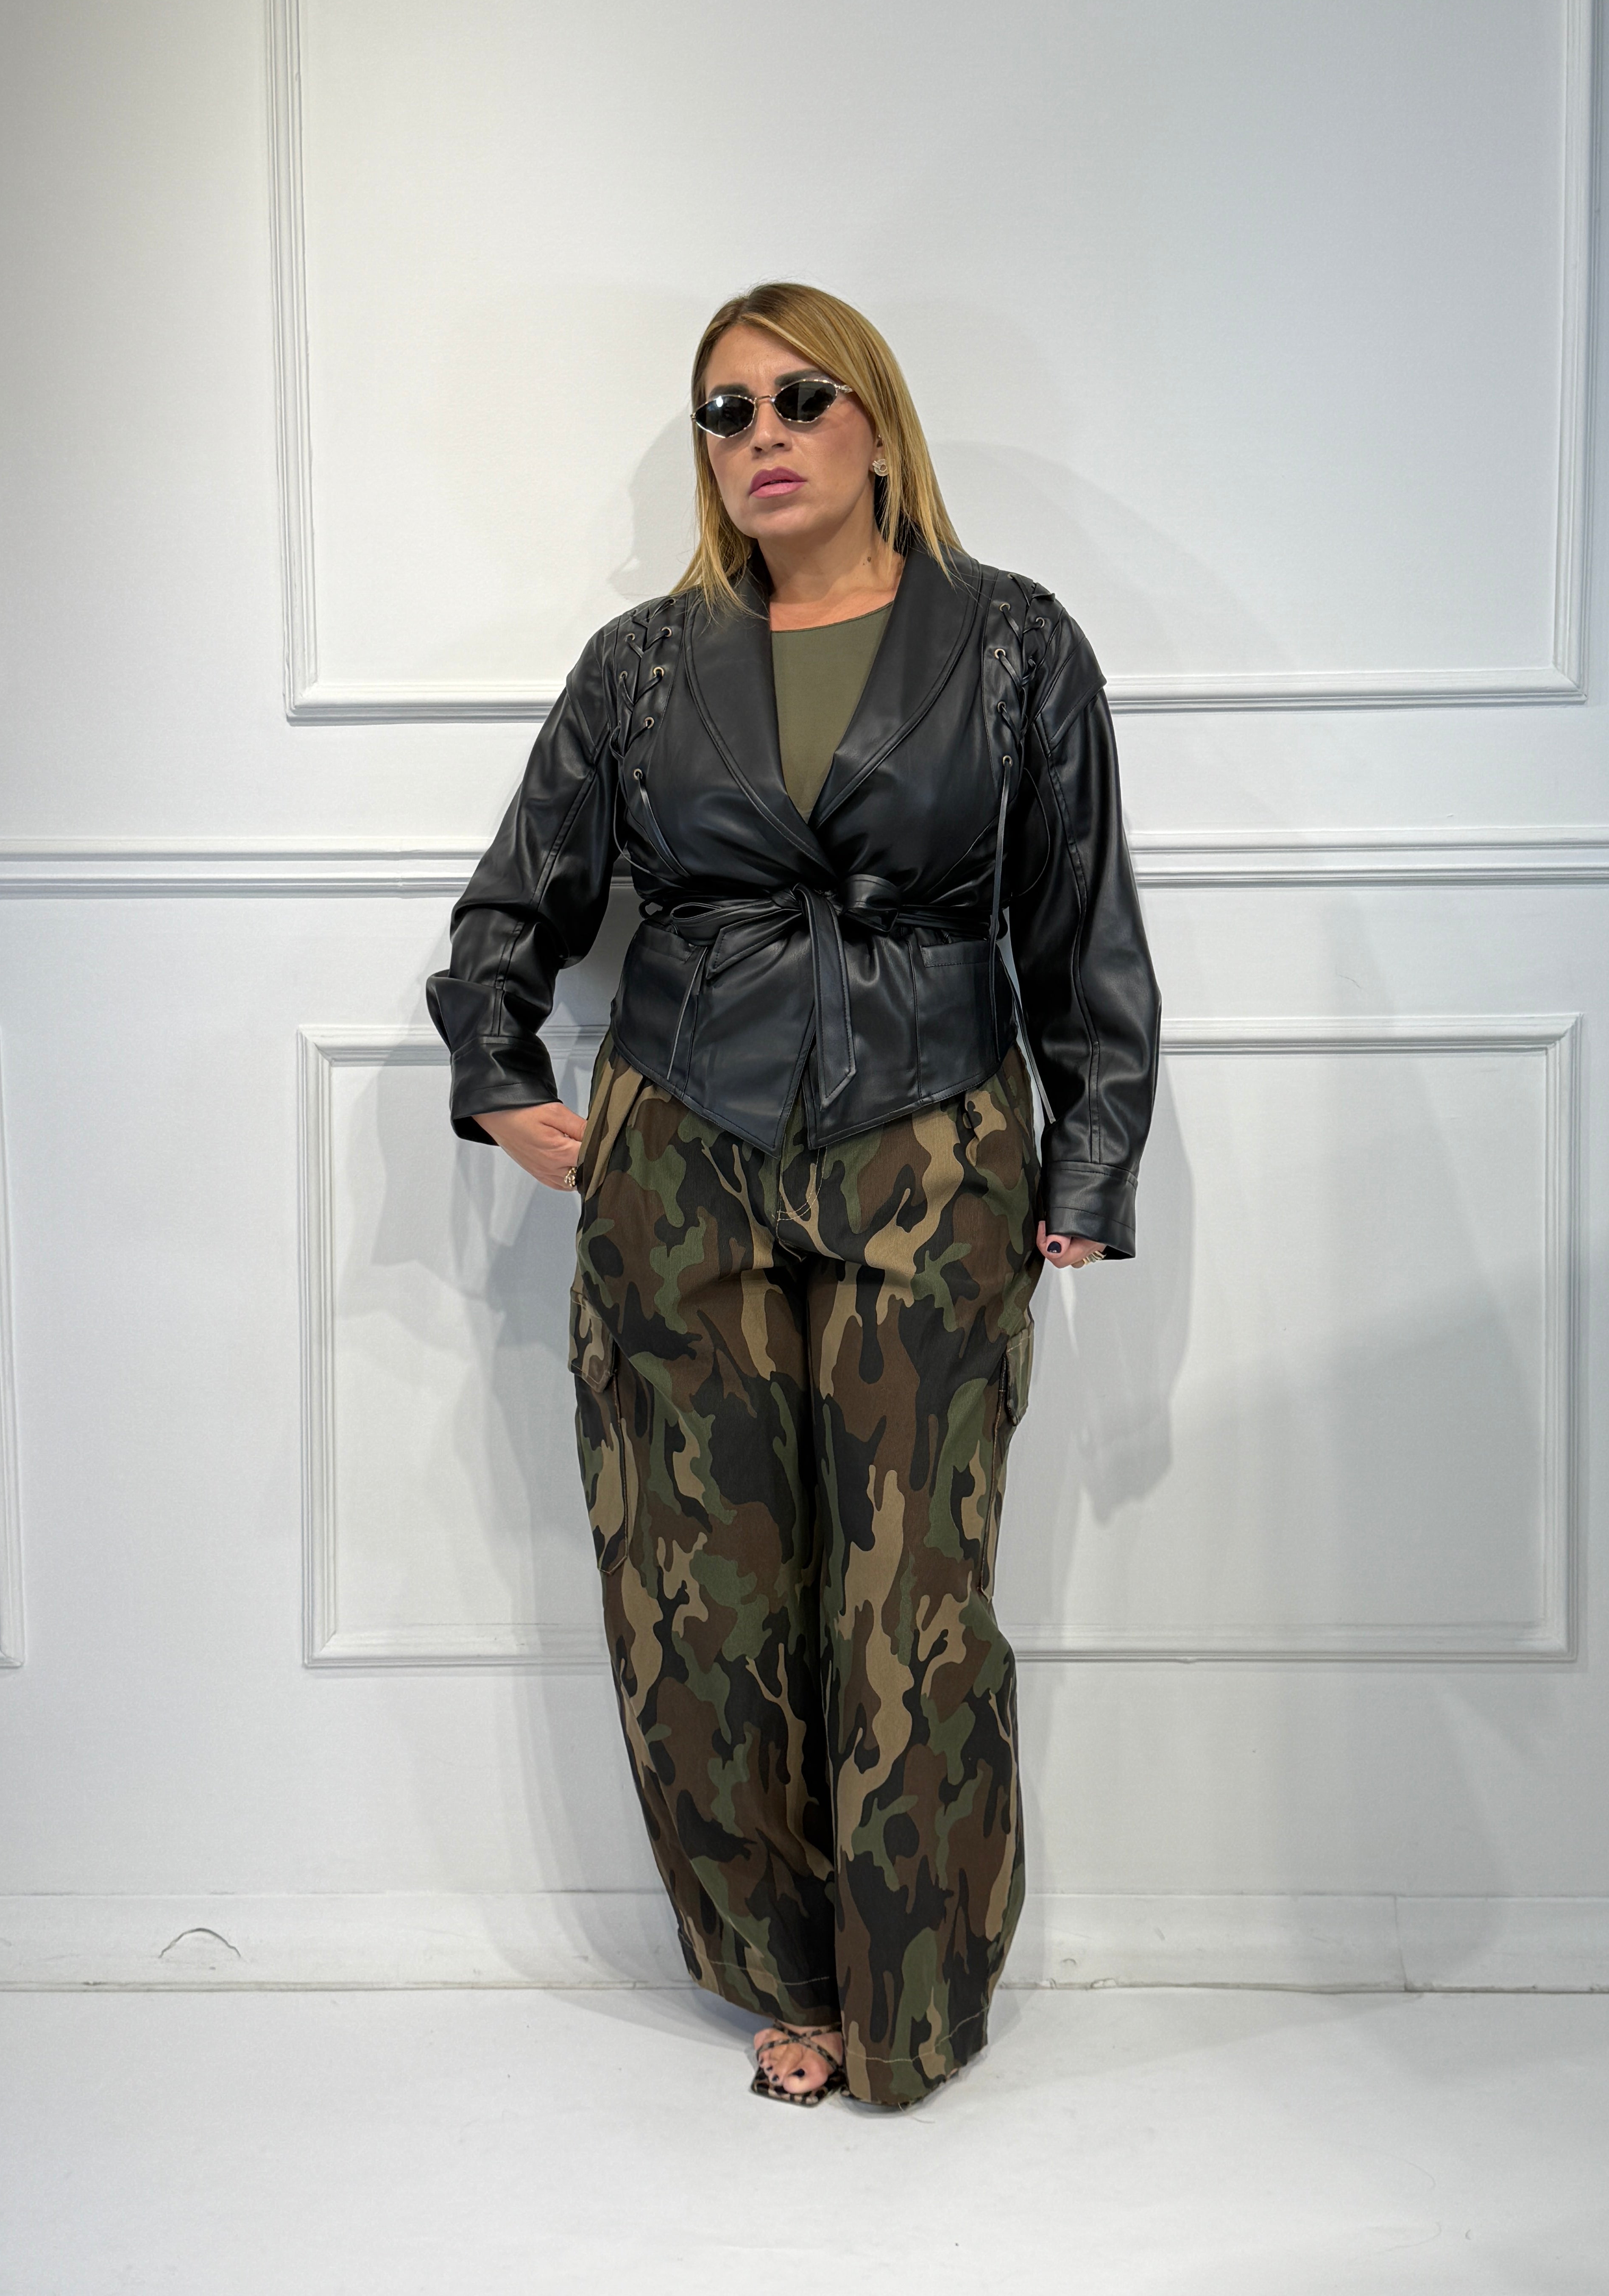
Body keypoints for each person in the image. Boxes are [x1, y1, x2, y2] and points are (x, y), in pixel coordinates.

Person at [426, 281, 1160, 2110]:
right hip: (683, 1155)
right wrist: (500, 1074)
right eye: (726, 411)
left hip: (937, 1148)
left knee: (912, 1603)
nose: (762, 437)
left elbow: (1079, 918)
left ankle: (913, 1998)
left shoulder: (1012, 643)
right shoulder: (642, 667)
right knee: (702, 1593)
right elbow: (513, 901)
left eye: (800, 399)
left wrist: (1091, 1151)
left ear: (878, 426)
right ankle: (783, 1978)